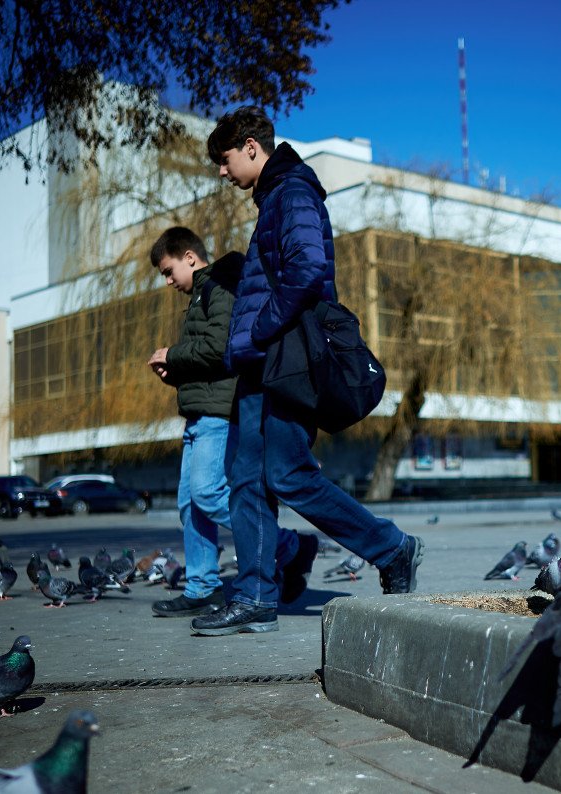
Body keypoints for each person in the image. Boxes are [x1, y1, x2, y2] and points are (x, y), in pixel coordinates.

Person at [193, 106, 423, 636]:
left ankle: (392, 548)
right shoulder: (274, 197)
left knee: (287, 475)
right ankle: (254, 596)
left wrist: (258, 330)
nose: (222, 173)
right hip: (260, 363)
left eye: (224, 161)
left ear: (251, 147)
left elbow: (307, 270)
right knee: (244, 479)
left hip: (285, 359)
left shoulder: (293, 191)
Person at [147, 226, 318, 622]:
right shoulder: (201, 294)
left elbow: (220, 345)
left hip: (218, 415)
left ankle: (289, 546)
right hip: (197, 413)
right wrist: (173, 372)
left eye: (169, 271)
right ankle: (202, 587)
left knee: (208, 493)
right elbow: (206, 360)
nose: (169, 281)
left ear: (190, 256)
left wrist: (173, 354)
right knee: (190, 504)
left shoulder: (219, 286)